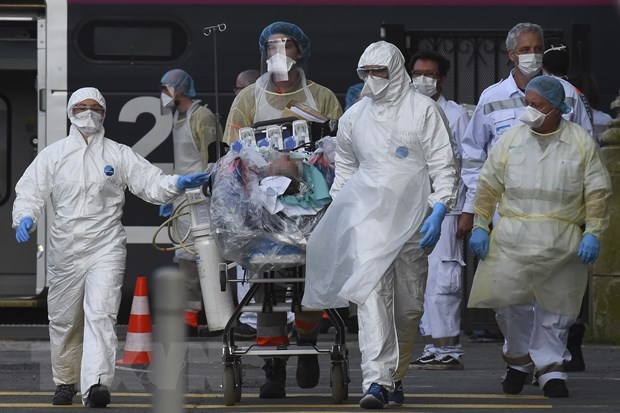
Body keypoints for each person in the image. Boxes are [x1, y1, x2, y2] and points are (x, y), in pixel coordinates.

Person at [12, 87, 210, 407]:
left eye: (95, 107)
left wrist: (176, 184)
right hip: (65, 248)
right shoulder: (54, 155)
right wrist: (24, 217)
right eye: (81, 107)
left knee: (101, 314)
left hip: (106, 246)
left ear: (104, 114)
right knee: (64, 319)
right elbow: (30, 192)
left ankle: (97, 385)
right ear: (70, 112)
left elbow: (151, 183)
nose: (88, 113)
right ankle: (65, 381)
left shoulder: (118, 154)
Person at [302, 41, 458, 409]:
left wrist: (439, 209)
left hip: (413, 220)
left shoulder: (424, 112)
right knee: (372, 301)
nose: (372, 80)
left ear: (396, 71)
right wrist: (338, 215)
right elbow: (346, 173)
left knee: (407, 309)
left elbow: (443, 167)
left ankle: (395, 375)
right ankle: (376, 382)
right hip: (369, 221)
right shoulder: (355, 117)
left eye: (380, 72)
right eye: (365, 73)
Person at [467, 76, 611, 398]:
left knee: (556, 308)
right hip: (512, 238)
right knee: (508, 304)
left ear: (558, 108)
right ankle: (518, 361)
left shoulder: (580, 142)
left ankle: (550, 368)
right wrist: (480, 224)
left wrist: (594, 232)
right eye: (527, 103)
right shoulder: (511, 140)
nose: (529, 111)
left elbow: (598, 192)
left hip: (561, 240)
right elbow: (489, 186)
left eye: (538, 105)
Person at [222, 21, 343, 399]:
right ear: (263, 51)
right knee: (265, 291)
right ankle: (273, 368)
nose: (279, 52)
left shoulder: (321, 97)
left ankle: (306, 346)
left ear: (300, 51)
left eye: (287, 45)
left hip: (311, 206)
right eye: (272, 45)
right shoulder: (248, 100)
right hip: (262, 209)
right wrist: (263, 171)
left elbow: (340, 151)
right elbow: (231, 156)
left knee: (309, 287)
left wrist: (301, 168)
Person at [459, 23, 594, 343]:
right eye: (525, 50)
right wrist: (482, 209)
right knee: (510, 291)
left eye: (537, 49)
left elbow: (587, 151)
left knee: (552, 289)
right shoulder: (492, 98)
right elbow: (473, 152)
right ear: (511, 55)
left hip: (557, 214)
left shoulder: (568, 95)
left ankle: (547, 359)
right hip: (507, 213)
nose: (532, 56)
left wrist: (589, 218)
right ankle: (521, 355)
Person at [407, 50, 470, 371]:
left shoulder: (456, 116)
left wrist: (467, 211)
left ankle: (449, 349)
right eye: (416, 73)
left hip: (446, 211)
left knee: (444, 279)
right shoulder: (405, 112)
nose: (421, 79)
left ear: (441, 79)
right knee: (422, 283)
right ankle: (432, 345)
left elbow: (469, 166)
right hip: (411, 210)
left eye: (428, 74)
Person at [158, 68, 220, 336]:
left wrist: (210, 191)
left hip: (201, 199)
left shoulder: (201, 117)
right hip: (182, 200)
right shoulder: (177, 116)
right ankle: (190, 316)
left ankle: (218, 314)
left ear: (180, 89)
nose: (163, 94)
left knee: (206, 257)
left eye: (166, 88)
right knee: (184, 258)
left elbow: (214, 159)